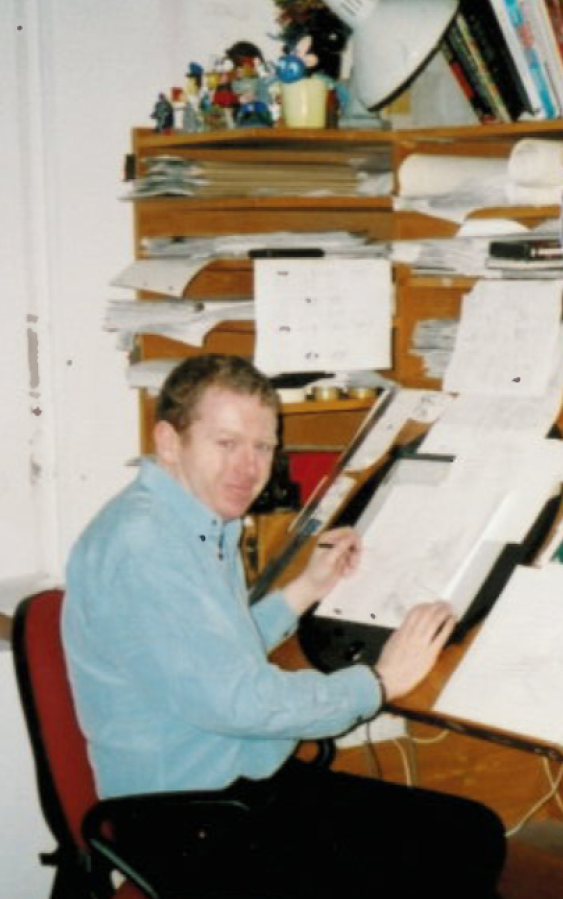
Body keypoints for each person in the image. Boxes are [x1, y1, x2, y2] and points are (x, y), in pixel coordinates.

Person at [63, 353, 505, 898]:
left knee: (465, 834)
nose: (248, 468)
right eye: (226, 444)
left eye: (263, 447)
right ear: (169, 441)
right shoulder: (145, 545)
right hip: (185, 820)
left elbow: (216, 648)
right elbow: (239, 700)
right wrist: (380, 682)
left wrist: (305, 590)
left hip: (232, 789)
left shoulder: (187, 519)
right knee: (451, 851)